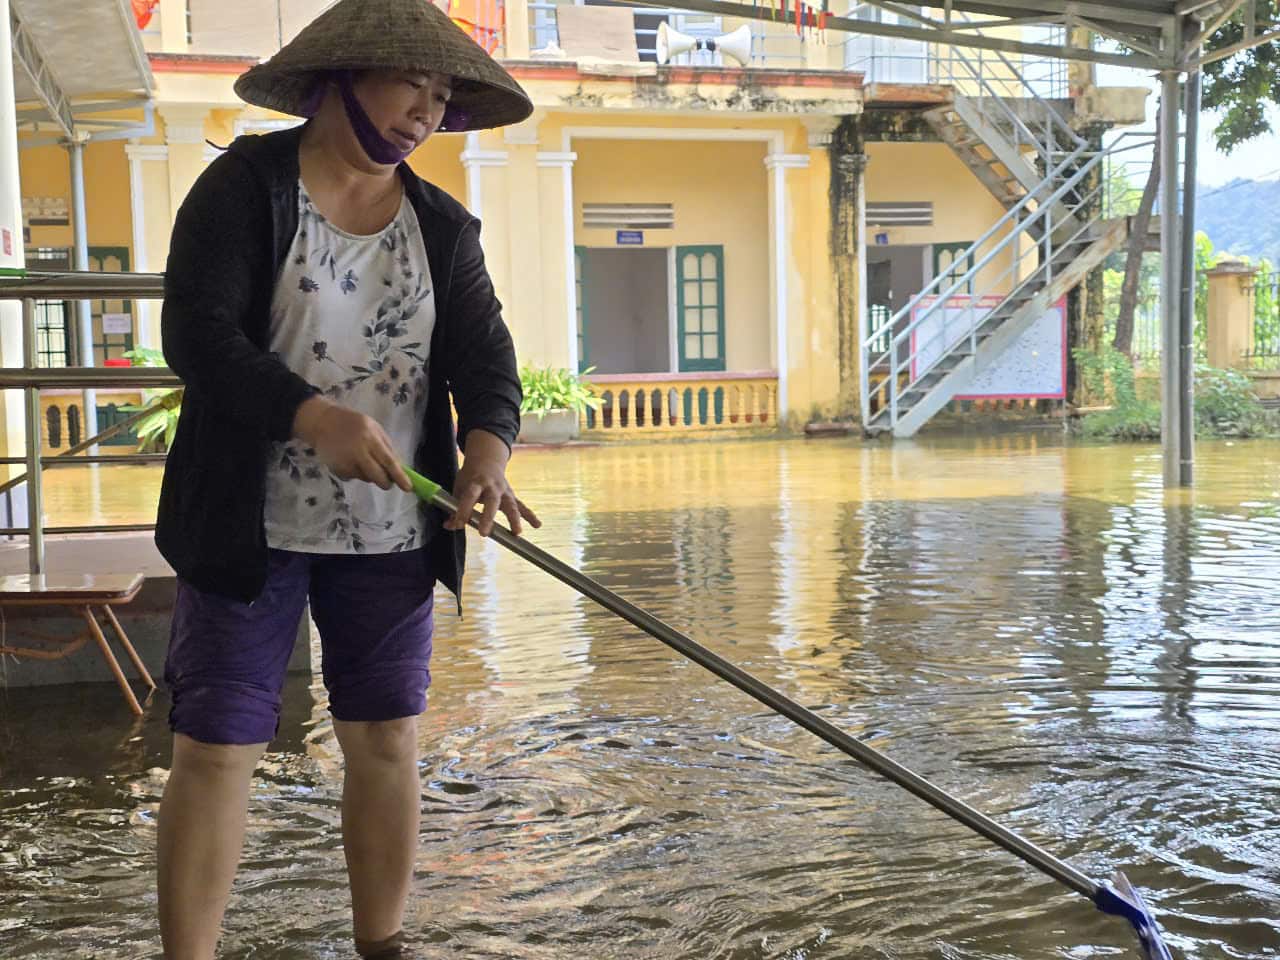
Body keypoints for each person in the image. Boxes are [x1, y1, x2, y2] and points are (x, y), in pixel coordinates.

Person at [151, 1, 538, 957]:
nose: (424, 113)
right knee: (214, 751)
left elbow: (487, 362)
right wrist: (310, 415)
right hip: (249, 526)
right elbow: (197, 337)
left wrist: (486, 450)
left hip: (393, 530)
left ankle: (381, 944)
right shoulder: (243, 188)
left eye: (441, 96)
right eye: (411, 82)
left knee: (386, 741)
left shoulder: (442, 228)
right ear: (342, 78)